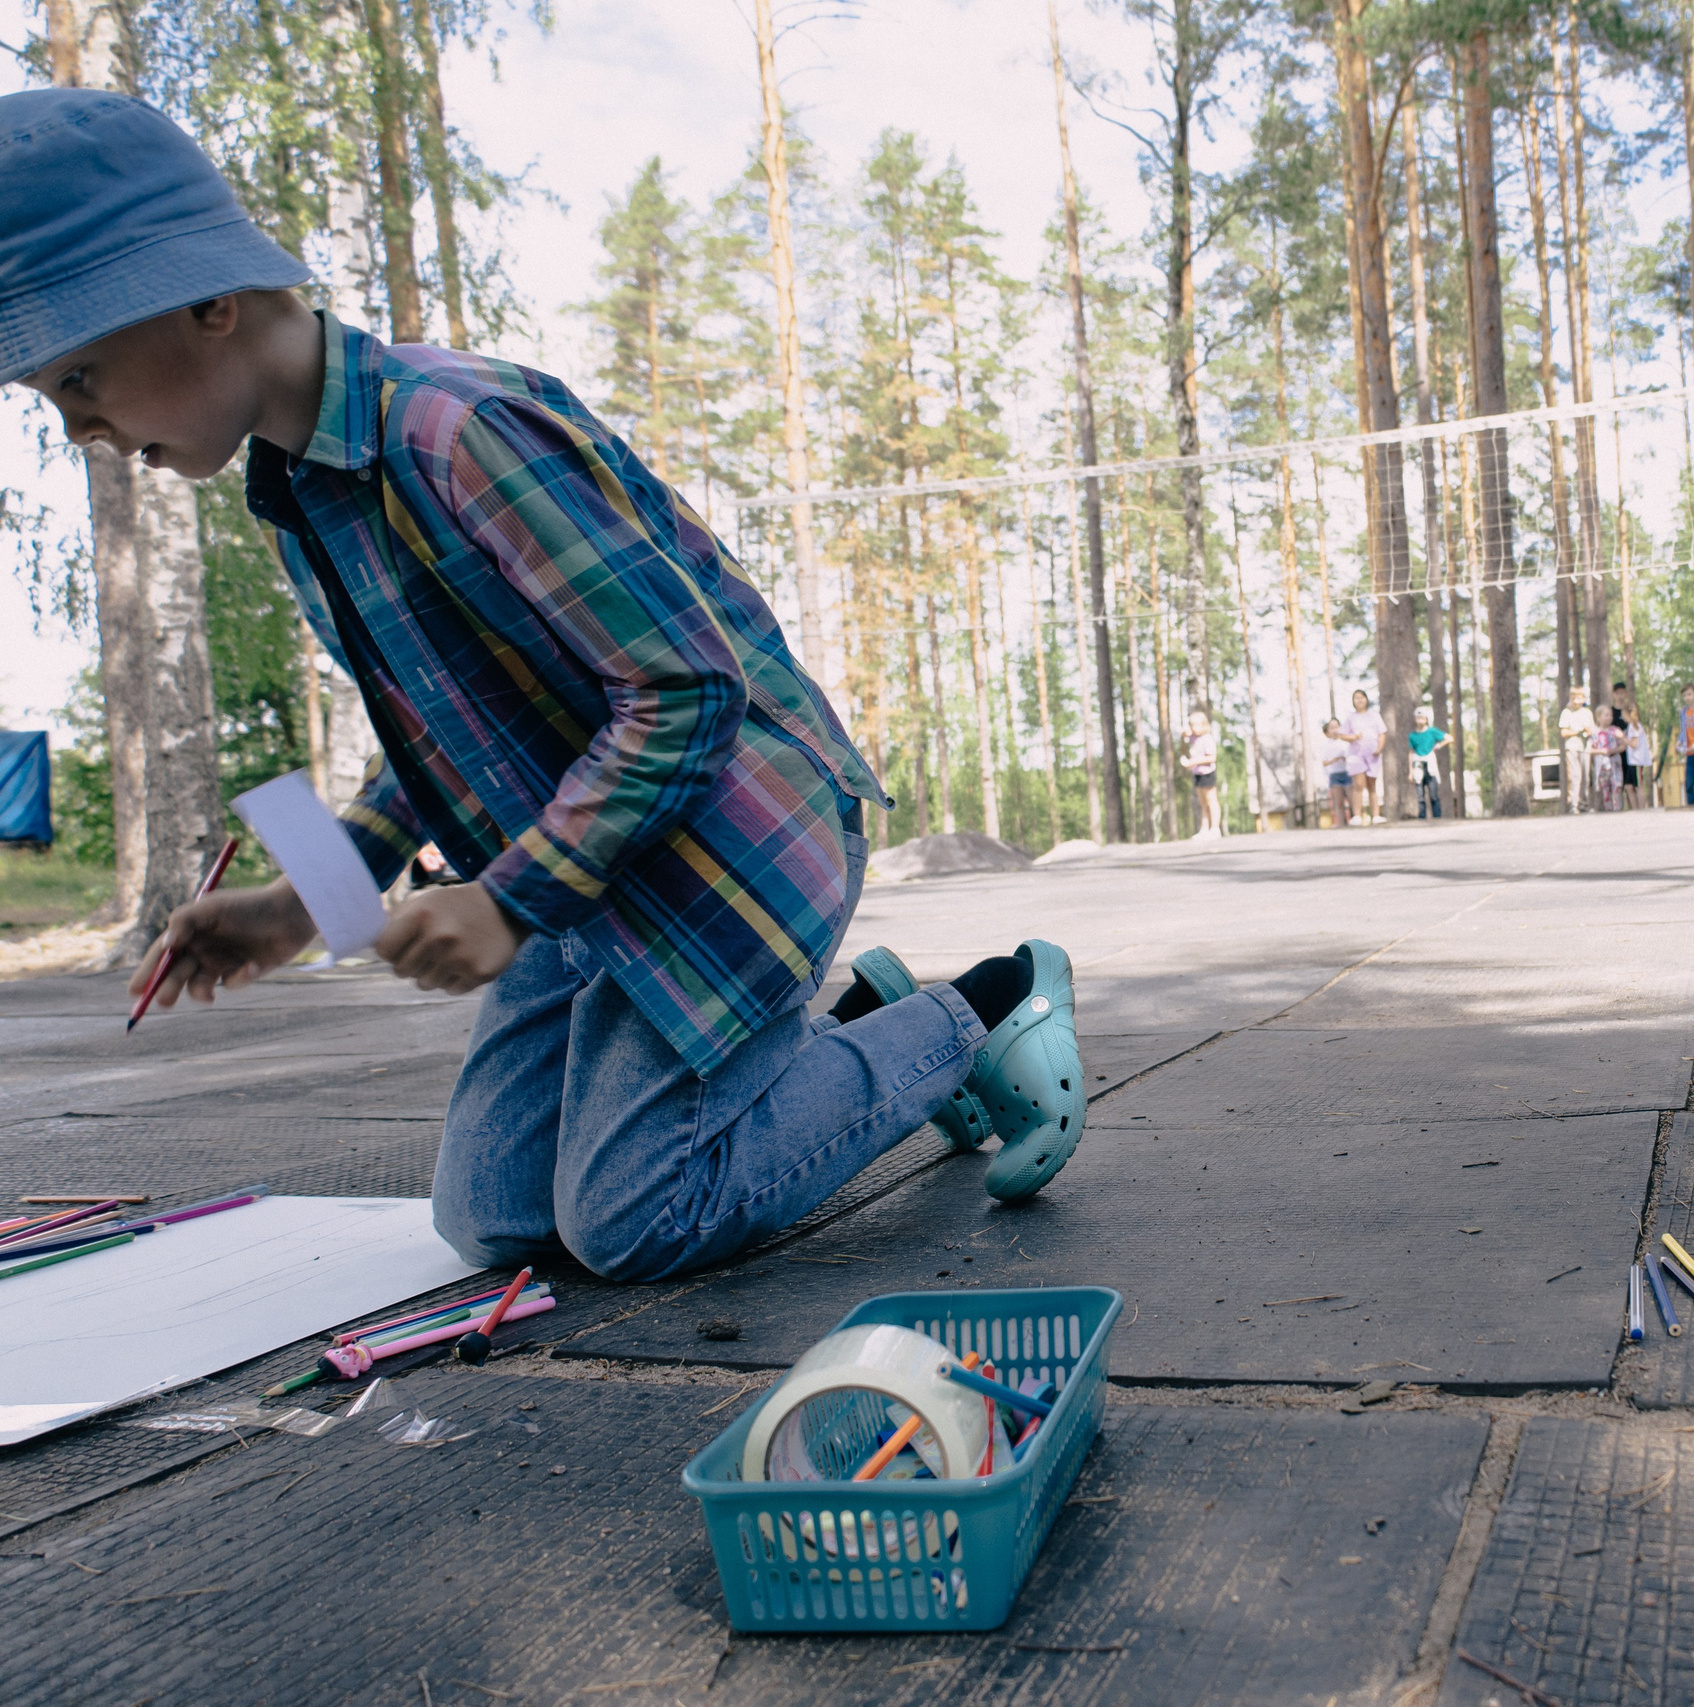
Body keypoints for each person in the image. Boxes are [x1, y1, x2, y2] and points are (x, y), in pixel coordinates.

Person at [13, 90, 1089, 1284]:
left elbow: (686, 693)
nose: (80, 430)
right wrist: (304, 898)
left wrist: (509, 903)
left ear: (208, 305)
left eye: (82, 377)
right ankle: (823, 1051)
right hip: (589, 876)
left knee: (635, 1218)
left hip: (728, 844)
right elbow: (444, 736)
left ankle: (976, 1015)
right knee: (494, 1222)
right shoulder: (302, 492)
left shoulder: (458, 430)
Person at [1346, 690, 1386, 825]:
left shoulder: (1374, 716)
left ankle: (1376, 815)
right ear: (1353, 701)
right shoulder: (1351, 717)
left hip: (1373, 754)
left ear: (1366, 699)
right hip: (1356, 755)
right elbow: (1342, 734)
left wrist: (1379, 748)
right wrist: (1353, 737)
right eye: (1356, 698)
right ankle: (1357, 815)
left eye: (1361, 697)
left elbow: (1382, 733)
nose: (1359, 700)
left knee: (1372, 785)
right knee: (1358, 784)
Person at [1183, 709, 1222, 839]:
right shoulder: (1193, 737)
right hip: (1197, 773)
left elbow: (1212, 758)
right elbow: (1183, 734)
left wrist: (1193, 761)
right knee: (1202, 803)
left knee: (1211, 801)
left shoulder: (1207, 738)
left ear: (1204, 725)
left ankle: (1215, 828)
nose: (1194, 728)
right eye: (1192, 725)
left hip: (1207, 773)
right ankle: (1204, 829)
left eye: (1197, 725)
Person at [1556, 687, 1596, 813]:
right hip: (1572, 747)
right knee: (1575, 775)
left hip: (1585, 748)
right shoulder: (1567, 713)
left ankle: (1584, 803)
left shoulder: (1587, 713)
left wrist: (1588, 731)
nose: (1577, 701)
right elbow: (1563, 732)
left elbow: (1592, 729)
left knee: (1585, 776)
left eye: (1579, 698)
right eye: (1574, 698)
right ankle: (1574, 804)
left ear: (1583, 699)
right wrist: (1576, 732)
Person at [1408, 705, 1450, 819]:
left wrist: (1438, 745)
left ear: (1426, 719)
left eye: (1422, 717)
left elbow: (1449, 738)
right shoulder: (1412, 735)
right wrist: (1411, 771)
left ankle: (1437, 818)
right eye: (1418, 717)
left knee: (1433, 794)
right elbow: (1411, 752)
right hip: (1418, 765)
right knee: (1420, 795)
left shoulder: (1432, 731)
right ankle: (1422, 818)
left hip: (1430, 764)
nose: (1420, 719)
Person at [1316, 718, 1355, 829]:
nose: (1335, 730)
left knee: (1352, 799)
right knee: (1338, 802)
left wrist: (1344, 758)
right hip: (1334, 774)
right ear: (1327, 731)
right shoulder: (1326, 746)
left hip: (1347, 773)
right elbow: (1324, 762)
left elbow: (1351, 757)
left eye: (1337, 726)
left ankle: (1355, 820)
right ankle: (1341, 823)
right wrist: (1333, 760)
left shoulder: (1345, 742)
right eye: (1332, 728)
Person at [1623, 707, 1655, 810]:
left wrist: (1622, 738)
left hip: (1637, 761)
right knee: (1628, 786)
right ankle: (1635, 808)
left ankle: (1641, 808)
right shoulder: (1631, 726)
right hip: (1631, 761)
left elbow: (1634, 744)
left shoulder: (1634, 726)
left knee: (1638, 786)